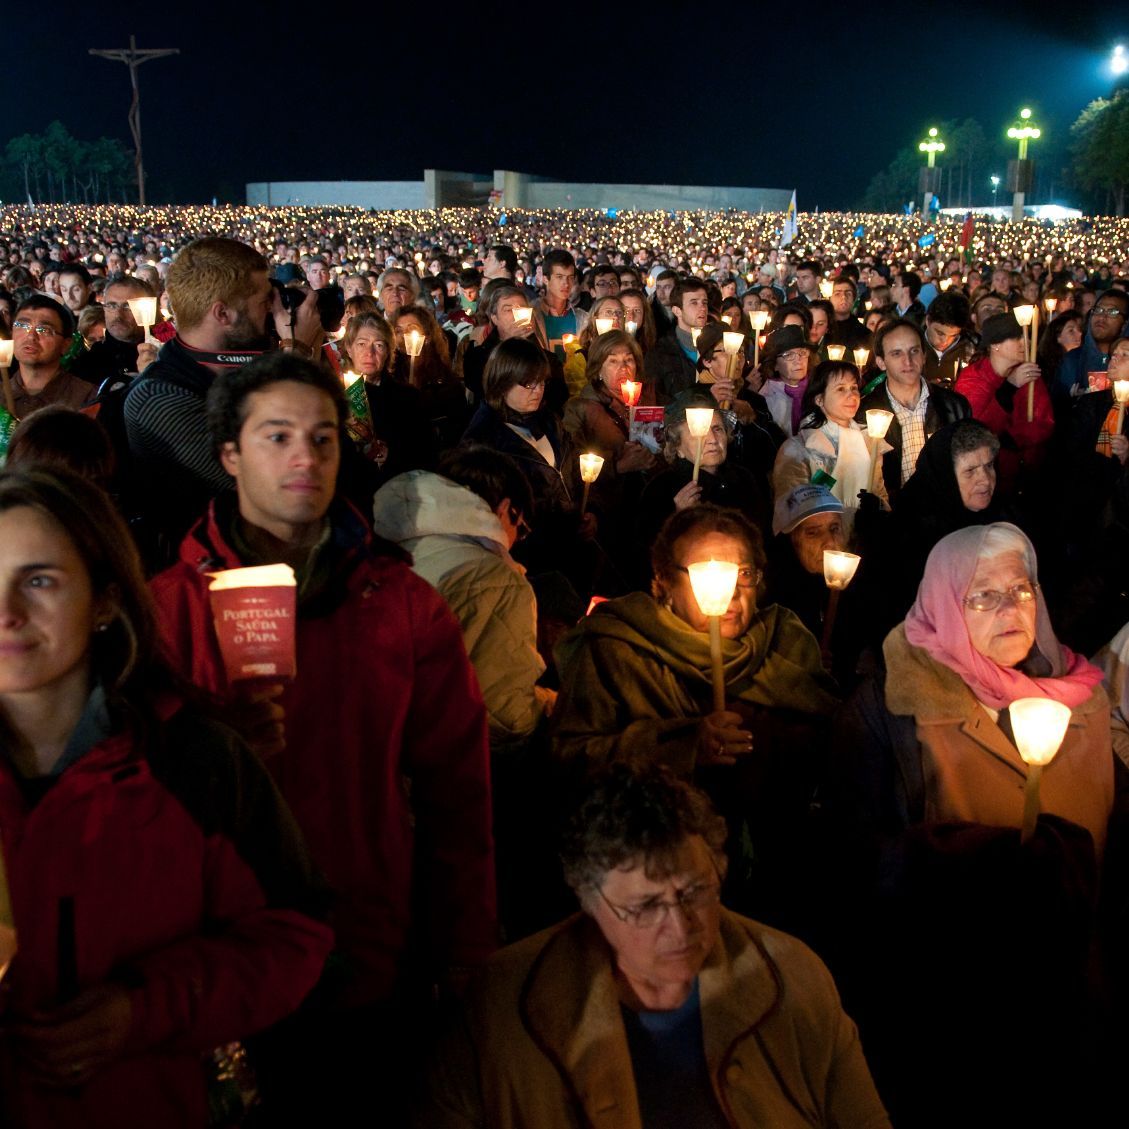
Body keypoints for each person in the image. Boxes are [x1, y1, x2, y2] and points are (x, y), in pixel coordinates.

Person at [150, 351, 496, 1122]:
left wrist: (464, 942)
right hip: (211, 957)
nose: (304, 456)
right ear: (229, 454)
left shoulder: (400, 603)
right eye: (276, 436)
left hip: (365, 943)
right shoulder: (168, 611)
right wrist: (209, 747)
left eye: (323, 437)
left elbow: (456, 787)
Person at [0, 469, 331, 1128]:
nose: (6, 610)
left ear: (105, 599)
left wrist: (141, 1009)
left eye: (39, 581)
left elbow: (292, 935)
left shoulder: (196, 764)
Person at [416, 761, 890, 1129]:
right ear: (588, 900)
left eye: (695, 892)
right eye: (644, 907)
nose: (680, 928)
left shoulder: (792, 977)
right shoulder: (504, 1004)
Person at [826, 523, 1113, 1126]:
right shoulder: (890, 707)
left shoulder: (1082, 696)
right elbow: (851, 861)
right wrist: (976, 861)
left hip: (1066, 997)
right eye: (983, 595)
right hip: (948, 1002)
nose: (1011, 608)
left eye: (1022, 589)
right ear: (944, 603)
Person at [553, 504, 837, 917]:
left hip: (777, 878)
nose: (731, 592)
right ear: (663, 583)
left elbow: (833, 754)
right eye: (706, 572)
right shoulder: (617, 649)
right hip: (653, 878)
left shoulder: (786, 642)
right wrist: (683, 747)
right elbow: (568, 760)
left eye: (743, 573)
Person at [123, 237, 323, 556]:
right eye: (264, 300)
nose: (273, 310)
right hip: (215, 570)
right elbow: (272, 486)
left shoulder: (244, 370)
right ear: (223, 314)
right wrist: (296, 353)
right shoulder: (158, 398)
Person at [858, 319, 970, 505]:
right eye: (896, 353)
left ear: (924, 355)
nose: (908, 361)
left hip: (943, 509)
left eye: (914, 351)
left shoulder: (954, 406)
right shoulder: (866, 413)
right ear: (881, 362)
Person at [772, 361, 886, 536]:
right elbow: (790, 510)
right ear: (819, 399)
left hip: (867, 538)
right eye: (841, 389)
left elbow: (880, 492)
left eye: (854, 388)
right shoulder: (798, 449)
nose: (851, 395)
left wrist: (878, 507)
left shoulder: (870, 443)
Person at [954, 311, 1053, 495]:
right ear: (995, 344)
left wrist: (1012, 439)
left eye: (1026, 336)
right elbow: (974, 429)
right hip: (986, 481)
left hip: (1027, 479)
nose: (1026, 342)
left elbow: (1044, 423)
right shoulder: (973, 378)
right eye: (1016, 338)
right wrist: (1009, 387)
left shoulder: (1029, 374)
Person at [8, 295, 92, 418]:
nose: (31, 336)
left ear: (65, 345)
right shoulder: (3, 394)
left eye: (44, 330)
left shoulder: (86, 398)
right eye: (22, 326)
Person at [645, 278, 709, 401]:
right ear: (677, 311)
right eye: (694, 303)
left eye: (704, 303)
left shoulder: (717, 347)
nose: (702, 308)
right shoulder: (660, 353)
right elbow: (655, 401)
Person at [758, 324, 816, 437]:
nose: (798, 360)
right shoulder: (766, 397)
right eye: (789, 355)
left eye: (802, 353)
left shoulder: (817, 388)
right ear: (775, 365)